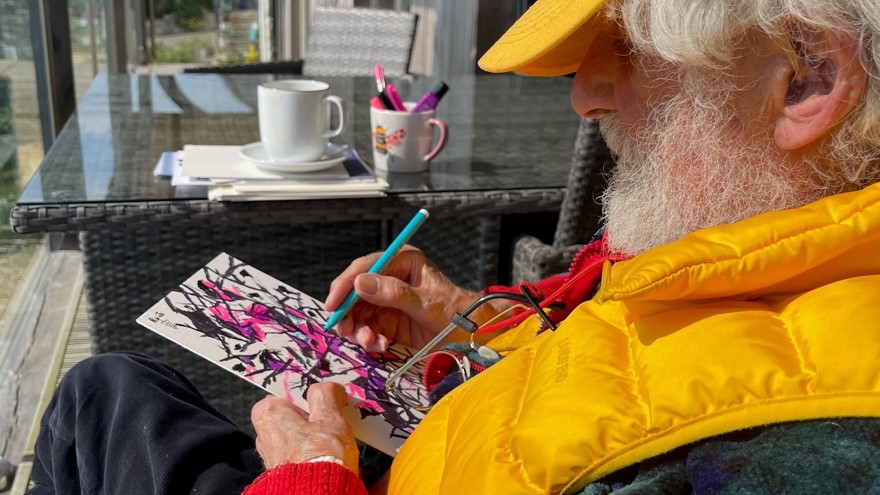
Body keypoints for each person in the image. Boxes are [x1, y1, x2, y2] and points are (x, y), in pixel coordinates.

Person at [29, 0, 880, 493]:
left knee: (99, 398)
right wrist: (468, 324)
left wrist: (313, 472)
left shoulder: (799, 451)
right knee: (112, 387)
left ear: (803, 75)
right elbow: (618, 360)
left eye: (624, 45)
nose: (584, 95)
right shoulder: (764, 248)